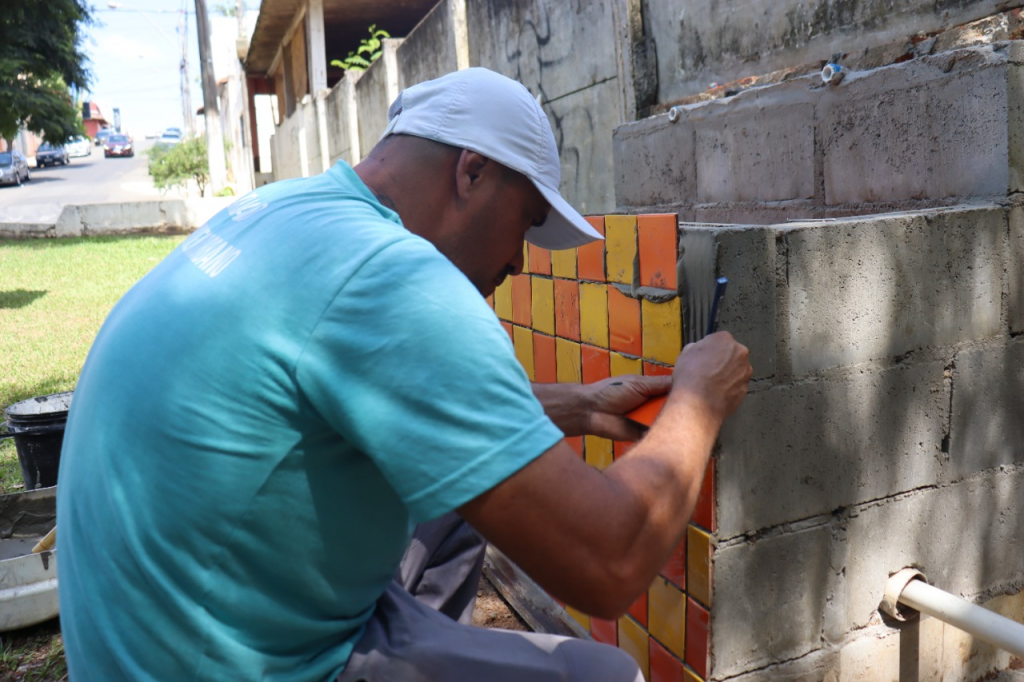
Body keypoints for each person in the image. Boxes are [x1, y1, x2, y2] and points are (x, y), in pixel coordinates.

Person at [56, 68, 752, 681]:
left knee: (454, 508)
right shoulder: (394, 282)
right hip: (248, 662)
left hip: (153, 640)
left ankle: (428, 649)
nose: (519, 263)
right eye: (526, 223)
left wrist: (577, 405)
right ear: (471, 172)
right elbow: (610, 562)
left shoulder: (285, 211)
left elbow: (342, 395)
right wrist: (698, 397)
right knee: (603, 675)